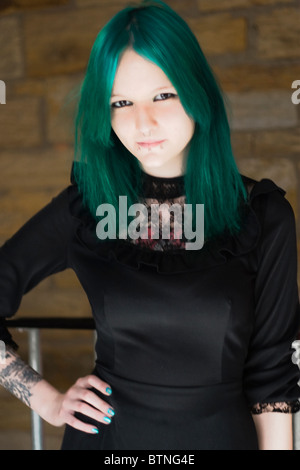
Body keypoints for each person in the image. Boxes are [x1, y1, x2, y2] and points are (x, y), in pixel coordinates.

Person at [0, 0, 299, 451]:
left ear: (197, 92)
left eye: (163, 95)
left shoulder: (263, 216)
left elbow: (272, 383)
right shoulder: (86, 208)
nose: (143, 123)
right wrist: (44, 399)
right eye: (121, 102)